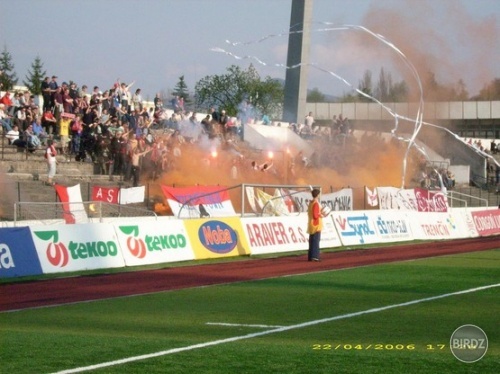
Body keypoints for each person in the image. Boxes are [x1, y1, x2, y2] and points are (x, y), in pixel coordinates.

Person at [307, 188, 325, 262]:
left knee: (311, 241)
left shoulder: (311, 203)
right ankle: (315, 256)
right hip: (316, 225)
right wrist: (320, 215)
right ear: (317, 195)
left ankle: (311, 256)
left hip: (311, 224)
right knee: (315, 241)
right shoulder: (316, 203)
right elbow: (315, 215)